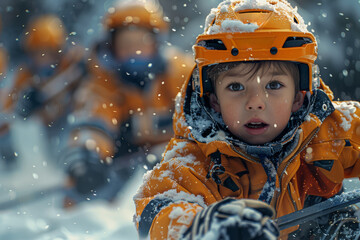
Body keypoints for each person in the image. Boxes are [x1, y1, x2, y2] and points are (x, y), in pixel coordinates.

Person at [134, 0, 360, 239]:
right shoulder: (194, 159)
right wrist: (204, 226)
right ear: (214, 100)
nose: (255, 101)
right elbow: (159, 209)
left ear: (299, 96)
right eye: (236, 86)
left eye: (274, 85)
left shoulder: (329, 130)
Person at [58, 0, 193, 207]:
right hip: (122, 160)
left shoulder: (180, 71)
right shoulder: (103, 81)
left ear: (156, 42)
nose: (135, 51)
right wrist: (88, 158)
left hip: (174, 154)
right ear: (112, 47)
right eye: (126, 44)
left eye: (141, 42)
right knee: (85, 199)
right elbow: (93, 122)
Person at [0, 14, 86, 164]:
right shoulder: (25, 76)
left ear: (59, 51)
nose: (44, 59)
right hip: (43, 136)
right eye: (38, 53)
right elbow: (10, 110)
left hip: (70, 123)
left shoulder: (74, 65)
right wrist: (23, 105)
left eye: (49, 53)